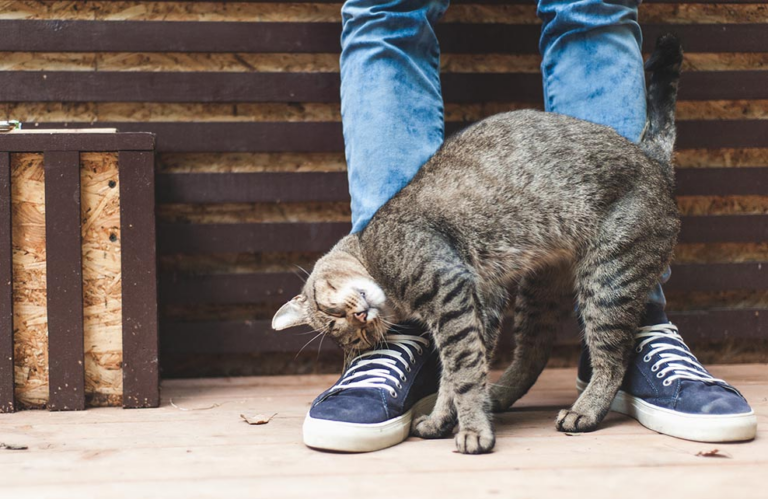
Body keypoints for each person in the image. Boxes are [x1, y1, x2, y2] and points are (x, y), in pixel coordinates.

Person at [300, 0, 757, 452]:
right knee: (387, 7)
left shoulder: (389, 245)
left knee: (591, 6)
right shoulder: (389, 264)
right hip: (538, 225)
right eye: (350, 330)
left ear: (316, 280)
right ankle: (409, 351)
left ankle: (624, 350)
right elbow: (466, 306)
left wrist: (471, 410)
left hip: (608, 203)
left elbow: (455, 304)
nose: (354, 317)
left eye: (336, 314)